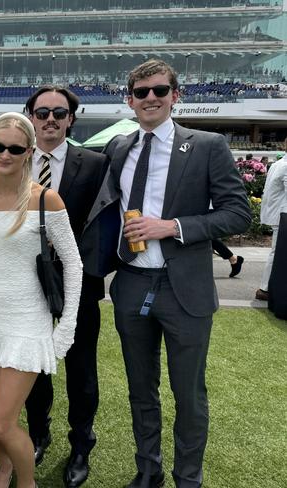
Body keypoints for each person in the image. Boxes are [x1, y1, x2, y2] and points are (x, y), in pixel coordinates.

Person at [81, 59, 251, 488]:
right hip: (132, 282)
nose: (150, 98)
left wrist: (172, 227)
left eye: (160, 90)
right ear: (129, 100)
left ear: (176, 95)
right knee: (141, 391)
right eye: (141, 93)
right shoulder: (119, 147)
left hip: (185, 289)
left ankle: (187, 479)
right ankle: (148, 472)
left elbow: (238, 214)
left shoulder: (208, 144)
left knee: (189, 396)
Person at [0, 112, 83, 488]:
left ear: (29, 151)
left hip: (27, 322)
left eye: (15, 148)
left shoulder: (46, 200)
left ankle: (26, 482)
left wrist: (67, 328)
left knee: (0, 420)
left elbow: (74, 265)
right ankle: (5, 466)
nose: (5, 154)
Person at [24, 86, 108, 486]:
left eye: (60, 112)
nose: (51, 120)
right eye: (42, 113)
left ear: (71, 119)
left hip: (79, 281)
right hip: (25, 282)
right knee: (34, 367)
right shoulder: (13, 158)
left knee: (80, 369)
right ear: (31, 116)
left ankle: (81, 445)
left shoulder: (95, 163)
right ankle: (38, 433)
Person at [256, 149, 287, 301]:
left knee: (276, 252)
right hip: (281, 214)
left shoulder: (278, 164)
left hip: (276, 213)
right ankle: (265, 288)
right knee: (277, 253)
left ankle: (267, 287)